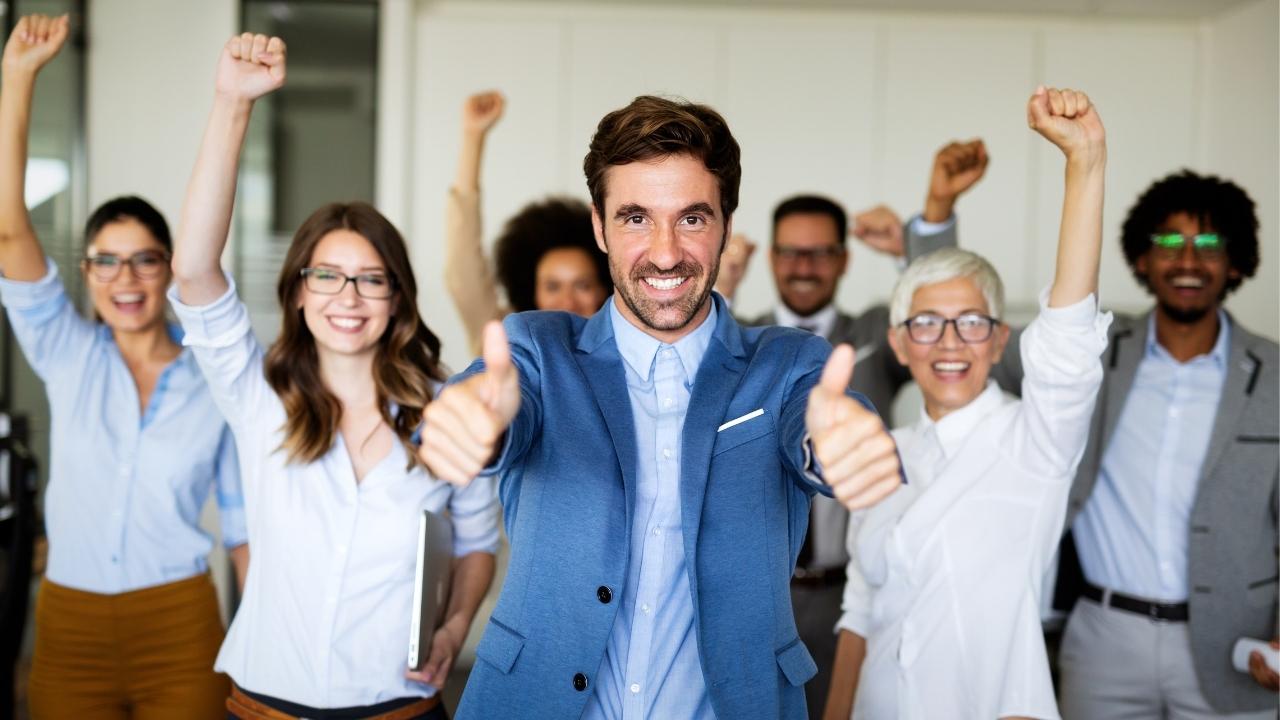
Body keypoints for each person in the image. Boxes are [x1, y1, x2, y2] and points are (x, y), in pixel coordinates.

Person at [419, 93, 903, 720]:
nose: (667, 252)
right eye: (636, 218)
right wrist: (476, 425)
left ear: (726, 224)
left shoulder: (789, 362)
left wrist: (836, 447)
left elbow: (818, 419)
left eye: (693, 219)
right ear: (599, 226)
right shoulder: (535, 348)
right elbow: (497, 403)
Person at [169, 33, 499, 718]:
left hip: (398, 708)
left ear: (398, 297)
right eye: (327, 275)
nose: (347, 297)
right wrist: (233, 103)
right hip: (265, 704)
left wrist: (456, 625)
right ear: (296, 291)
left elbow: (475, 543)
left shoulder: (448, 410)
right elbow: (195, 270)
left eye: (370, 279)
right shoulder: (258, 396)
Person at [825, 86, 1111, 720]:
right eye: (926, 324)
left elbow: (1067, 344)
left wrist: (1085, 164)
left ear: (1000, 338)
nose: (950, 343)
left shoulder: (1034, 443)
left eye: (972, 323)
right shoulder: (885, 453)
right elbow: (862, 609)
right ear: (899, 344)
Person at [0, 14, 248, 719]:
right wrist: (16, 76)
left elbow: (243, 529)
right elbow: (7, 226)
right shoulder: (65, 351)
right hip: (69, 625)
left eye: (144, 258)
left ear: (171, 267)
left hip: (179, 621)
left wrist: (262, 642)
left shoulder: (217, 376)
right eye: (105, 260)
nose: (126, 277)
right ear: (85, 274)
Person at [714, 145, 985, 715]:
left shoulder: (874, 333)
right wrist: (721, 289)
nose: (804, 266)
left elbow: (937, 314)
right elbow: (690, 387)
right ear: (772, 259)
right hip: (756, 595)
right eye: (790, 252)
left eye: (820, 253)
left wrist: (925, 229)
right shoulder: (739, 338)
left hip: (855, 595)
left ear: (843, 260)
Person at [1049, 168, 1278, 719]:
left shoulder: (1274, 373)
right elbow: (967, 338)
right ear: (1141, 259)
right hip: (1103, 639)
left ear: (1237, 262)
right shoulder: (1092, 353)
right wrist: (936, 219)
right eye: (1170, 241)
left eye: (1210, 245)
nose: (1189, 261)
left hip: (1239, 646)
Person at [444, 91, 611, 355]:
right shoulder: (508, 337)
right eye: (552, 286)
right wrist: (473, 136)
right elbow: (463, 275)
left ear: (604, 290)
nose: (567, 301)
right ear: (531, 292)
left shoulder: (622, 346)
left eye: (583, 285)